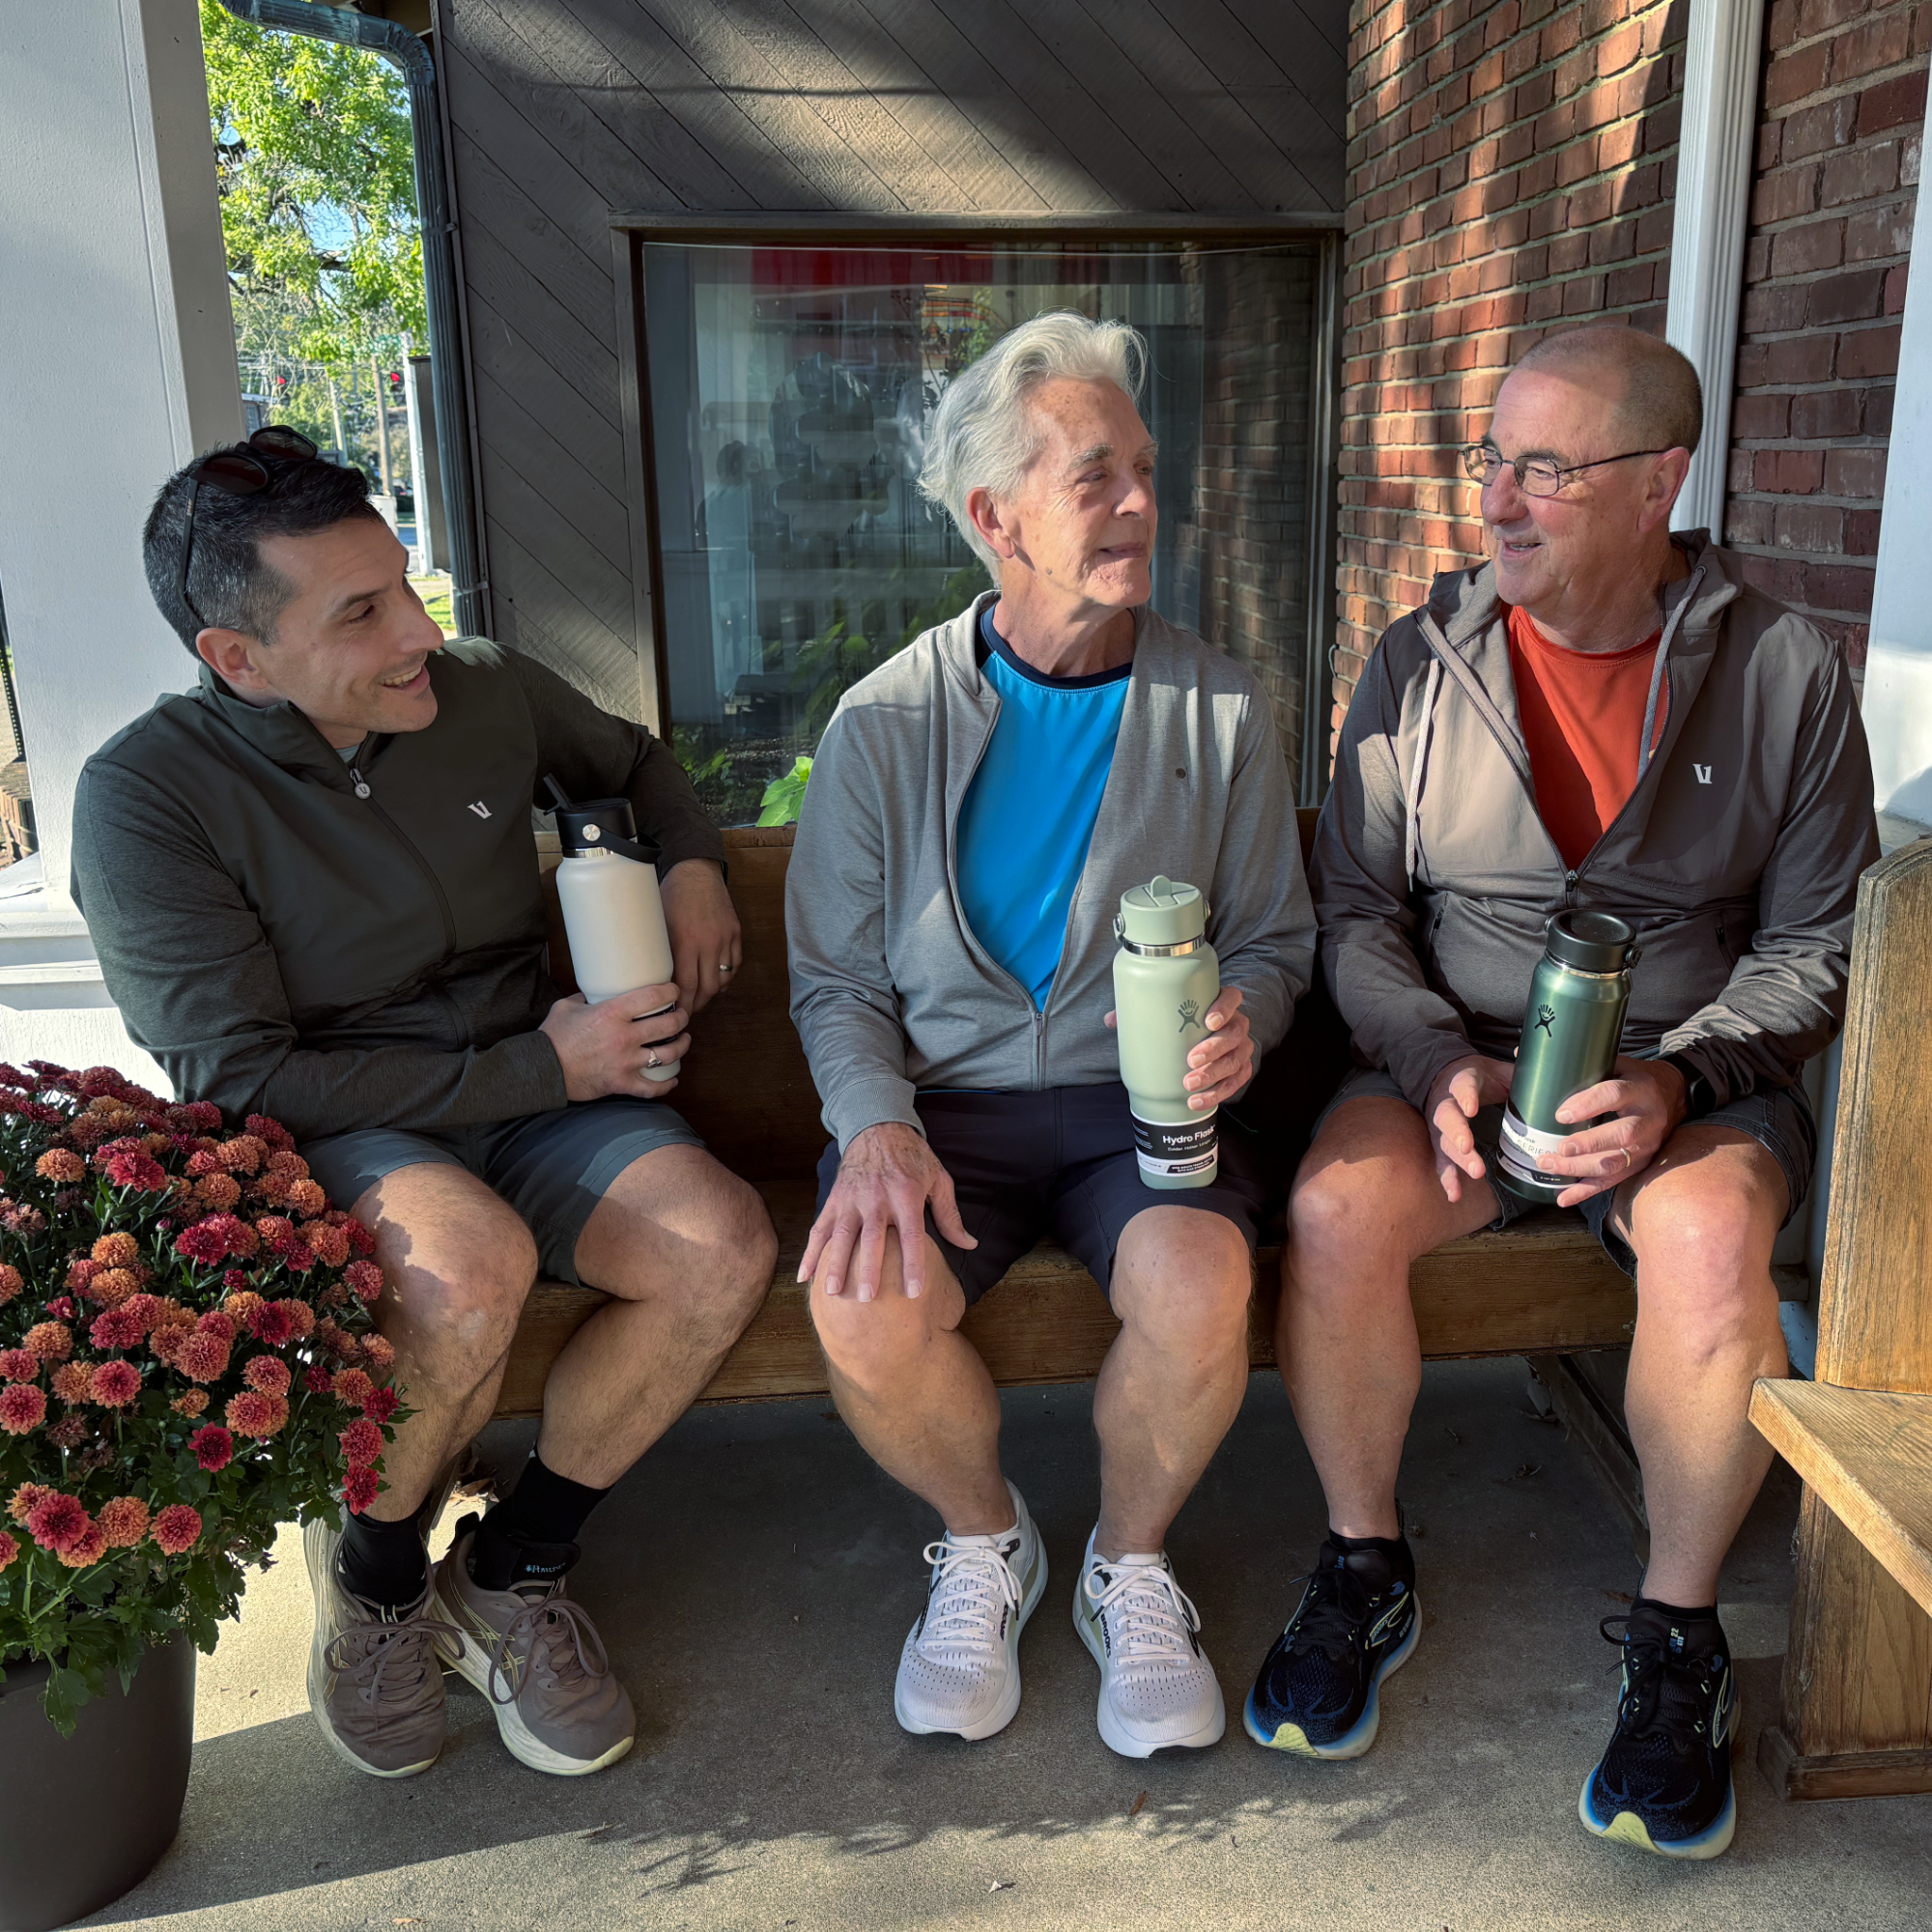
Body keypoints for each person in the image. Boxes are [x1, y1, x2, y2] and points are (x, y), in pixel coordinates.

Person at [1248, 327, 1878, 1859]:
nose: (1501, 505)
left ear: (1663, 480)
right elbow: (1354, 913)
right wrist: (1429, 1060)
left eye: (1546, 468)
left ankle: (1678, 1644)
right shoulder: (1421, 658)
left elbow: (1818, 941)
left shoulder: (1782, 670)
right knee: (1334, 1211)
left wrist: (1676, 1080)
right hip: (1452, 1062)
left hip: (1686, 1074)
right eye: (1492, 462)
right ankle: (1360, 1562)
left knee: (1718, 1244)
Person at [73, 433, 778, 1780]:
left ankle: (510, 1571)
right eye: (362, 613)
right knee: (464, 1277)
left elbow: (632, 764)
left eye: (404, 583)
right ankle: (381, 1583)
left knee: (720, 1248)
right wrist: (547, 1069)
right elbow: (242, 1082)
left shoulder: (486, 690)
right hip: (348, 1116)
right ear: (238, 657)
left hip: (537, 1080)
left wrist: (689, 863)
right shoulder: (144, 798)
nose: (421, 632)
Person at [786, 313, 1316, 1758]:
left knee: (1201, 1281)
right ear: (994, 517)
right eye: (1099, 477)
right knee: (860, 1301)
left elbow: (1274, 935)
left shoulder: (1215, 705)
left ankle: (1126, 1566)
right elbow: (833, 979)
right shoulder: (882, 723)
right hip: (944, 1114)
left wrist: (1243, 1022)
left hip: (1140, 1109)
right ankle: (985, 1543)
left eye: (1145, 469)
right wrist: (873, 1127)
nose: (1143, 502)